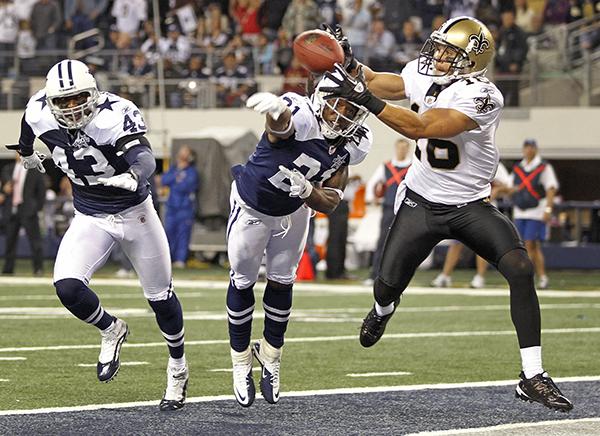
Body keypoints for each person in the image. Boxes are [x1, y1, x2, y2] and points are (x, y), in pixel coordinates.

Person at [321, 17, 572, 411]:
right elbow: (381, 82)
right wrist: (351, 65)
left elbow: (422, 127)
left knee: (520, 269)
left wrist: (365, 97)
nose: (436, 56)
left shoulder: (484, 96)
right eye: (437, 47)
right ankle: (383, 311)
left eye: (448, 52)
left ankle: (533, 375)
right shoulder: (426, 73)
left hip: (470, 205)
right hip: (420, 202)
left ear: (472, 61)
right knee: (385, 287)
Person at [7, 59, 188, 411]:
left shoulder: (115, 114)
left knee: (160, 298)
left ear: (94, 92)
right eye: (64, 101)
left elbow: (144, 155)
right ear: (50, 100)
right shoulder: (38, 110)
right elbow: (27, 132)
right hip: (90, 215)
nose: (73, 107)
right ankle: (110, 328)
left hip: (136, 214)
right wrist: (28, 154)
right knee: (67, 286)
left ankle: (178, 367)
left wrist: (136, 174)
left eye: (80, 98)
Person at [226, 72, 372, 407]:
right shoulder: (302, 115)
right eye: (339, 107)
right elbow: (281, 130)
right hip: (253, 205)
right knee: (243, 280)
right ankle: (239, 360)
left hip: (294, 210)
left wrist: (308, 191)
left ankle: (272, 356)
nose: (345, 116)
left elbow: (332, 201)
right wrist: (276, 110)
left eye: (353, 110)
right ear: (322, 101)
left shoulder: (352, 144)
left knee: (282, 281)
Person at [431, 161, 511, 288]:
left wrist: (496, 190)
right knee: (456, 243)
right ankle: (445, 276)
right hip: (462, 207)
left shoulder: (491, 162)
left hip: (483, 208)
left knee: (481, 244)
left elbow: (508, 187)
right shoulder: (462, 160)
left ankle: (480, 277)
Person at [509, 139, 558, 290]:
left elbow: (551, 188)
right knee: (523, 246)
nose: (528, 150)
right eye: (526, 147)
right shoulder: (518, 167)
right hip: (520, 211)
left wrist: (548, 209)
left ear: (535, 149)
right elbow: (511, 187)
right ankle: (539, 276)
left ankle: (530, 276)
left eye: (531, 147)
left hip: (536, 211)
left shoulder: (543, 167)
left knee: (531, 243)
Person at [364, 138, 412, 285]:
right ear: (396, 148)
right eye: (399, 148)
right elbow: (373, 182)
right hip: (389, 207)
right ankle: (375, 274)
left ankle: (399, 276)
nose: (401, 151)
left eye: (404, 148)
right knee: (383, 241)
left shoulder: (413, 166)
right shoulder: (386, 166)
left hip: (406, 209)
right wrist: (371, 198)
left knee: (404, 242)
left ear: (408, 149)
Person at [0, 155, 46, 276]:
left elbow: (41, 191)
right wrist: (5, 189)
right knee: (10, 241)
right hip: (12, 210)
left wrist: (36, 208)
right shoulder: (8, 169)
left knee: (35, 241)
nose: (19, 155)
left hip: (28, 210)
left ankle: (38, 268)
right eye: (17, 153)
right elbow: (4, 188)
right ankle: (8, 269)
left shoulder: (34, 170)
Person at [160, 145, 200, 269]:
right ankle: (169, 259)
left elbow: (186, 186)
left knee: (183, 234)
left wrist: (176, 180)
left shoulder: (192, 172)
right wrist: (177, 175)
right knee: (169, 232)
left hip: (185, 208)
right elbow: (164, 180)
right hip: (172, 207)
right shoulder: (173, 169)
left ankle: (180, 259)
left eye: (185, 152)